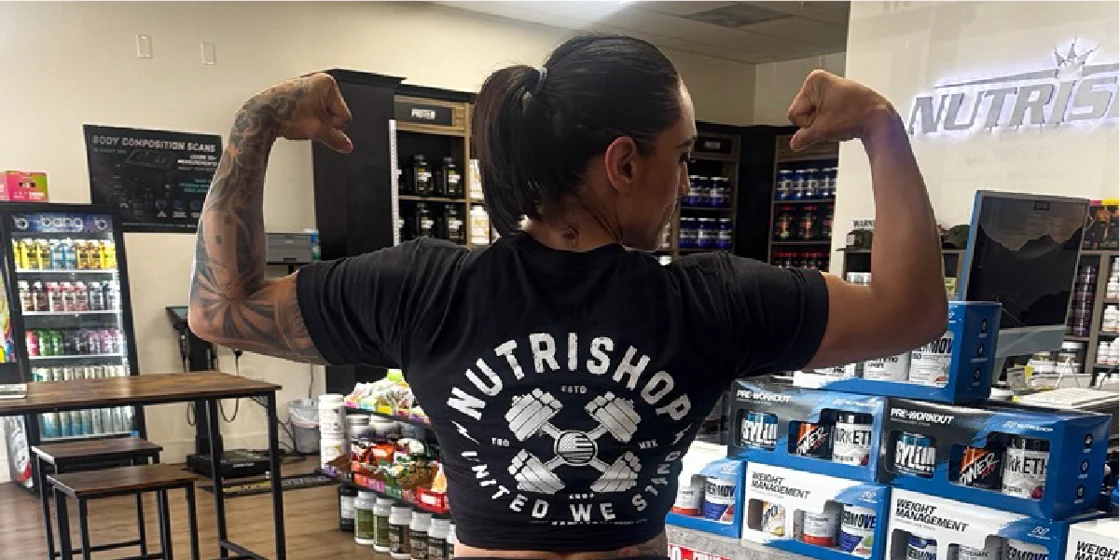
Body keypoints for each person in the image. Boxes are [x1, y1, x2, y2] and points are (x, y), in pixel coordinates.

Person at [189, 34, 946, 560]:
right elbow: (909, 310)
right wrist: (879, 128)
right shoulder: (710, 300)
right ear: (624, 163)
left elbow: (220, 308)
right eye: (681, 155)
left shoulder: (428, 286)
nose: (686, 184)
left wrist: (257, 124)